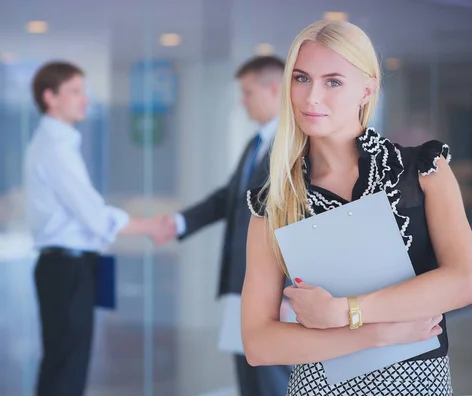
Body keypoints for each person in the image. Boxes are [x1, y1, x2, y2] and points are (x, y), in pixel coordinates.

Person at [241, 19, 472, 395]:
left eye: (333, 81)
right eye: (301, 79)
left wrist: (346, 311)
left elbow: (465, 280)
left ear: (368, 89)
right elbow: (258, 343)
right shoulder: (275, 202)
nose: (312, 96)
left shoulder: (423, 170)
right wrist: (376, 334)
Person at [24, 61, 163, 396]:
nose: (85, 99)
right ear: (50, 97)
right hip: (67, 268)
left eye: (83, 91)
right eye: (75, 92)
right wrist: (151, 225)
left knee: (61, 363)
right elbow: (95, 218)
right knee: (67, 368)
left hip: (65, 266)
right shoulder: (56, 148)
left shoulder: (55, 143)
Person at [157, 56, 291, 396]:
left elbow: (297, 219)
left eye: (247, 92)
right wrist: (179, 222)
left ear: (274, 89)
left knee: (270, 379)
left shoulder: (293, 148)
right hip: (241, 283)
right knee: (248, 377)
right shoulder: (256, 143)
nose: (241, 101)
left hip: (272, 289)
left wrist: (290, 287)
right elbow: (229, 199)